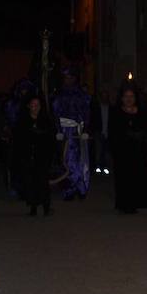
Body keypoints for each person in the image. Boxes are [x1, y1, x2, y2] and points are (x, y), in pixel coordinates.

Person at [109, 84, 147, 213]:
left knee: (138, 177)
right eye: (126, 96)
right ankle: (124, 204)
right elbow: (113, 131)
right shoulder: (116, 112)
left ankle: (136, 203)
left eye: (131, 96)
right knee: (124, 178)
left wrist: (141, 136)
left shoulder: (142, 112)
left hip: (138, 150)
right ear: (122, 98)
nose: (129, 99)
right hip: (123, 151)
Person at [52, 68, 92, 201]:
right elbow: (56, 115)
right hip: (65, 132)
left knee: (81, 160)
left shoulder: (82, 95)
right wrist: (58, 130)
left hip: (78, 131)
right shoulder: (59, 96)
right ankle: (69, 189)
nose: (68, 80)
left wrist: (85, 130)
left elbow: (87, 114)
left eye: (71, 77)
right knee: (67, 161)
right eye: (66, 78)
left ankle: (80, 188)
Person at [12, 95, 55, 216]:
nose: (35, 108)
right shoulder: (23, 121)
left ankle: (46, 206)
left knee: (43, 182)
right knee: (30, 182)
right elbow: (19, 140)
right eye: (33, 105)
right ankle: (33, 207)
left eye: (37, 105)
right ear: (28, 106)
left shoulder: (46, 121)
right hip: (28, 157)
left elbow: (50, 139)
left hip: (42, 157)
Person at [90, 83, 113, 177]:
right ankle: (98, 168)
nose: (104, 98)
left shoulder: (111, 108)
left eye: (106, 96)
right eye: (103, 96)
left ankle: (106, 168)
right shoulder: (96, 108)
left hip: (108, 133)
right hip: (98, 132)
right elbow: (93, 120)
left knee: (106, 151)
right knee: (98, 151)